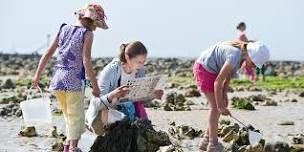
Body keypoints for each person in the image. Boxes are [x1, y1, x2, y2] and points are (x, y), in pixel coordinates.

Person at [32, 3, 108, 152]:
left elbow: (47, 54)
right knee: (76, 117)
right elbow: (86, 60)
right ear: (91, 21)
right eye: (96, 25)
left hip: (57, 80)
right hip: (73, 81)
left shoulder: (63, 29)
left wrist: (37, 76)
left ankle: (67, 146)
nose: (95, 28)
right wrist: (96, 86)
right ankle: (73, 148)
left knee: (69, 117)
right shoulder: (87, 34)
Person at [193, 41, 270, 152]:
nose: (253, 67)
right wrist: (220, 106)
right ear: (249, 55)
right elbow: (218, 82)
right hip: (204, 69)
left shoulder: (240, 58)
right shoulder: (234, 55)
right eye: (253, 63)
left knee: (218, 105)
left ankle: (205, 141)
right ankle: (213, 145)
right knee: (215, 107)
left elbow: (227, 77)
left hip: (213, 71)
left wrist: (224, 96)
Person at [86, 41, 164, 134]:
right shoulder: (111, 71)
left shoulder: (139, 71)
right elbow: (96, 103)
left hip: (126, 111)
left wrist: (152, 95)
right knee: (119, 119)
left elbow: (138, 100)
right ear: (127, 57)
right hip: (104, 112)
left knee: (138, 126)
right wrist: (113, 94)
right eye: (138, 62)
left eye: (143, 62)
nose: (141, 65)